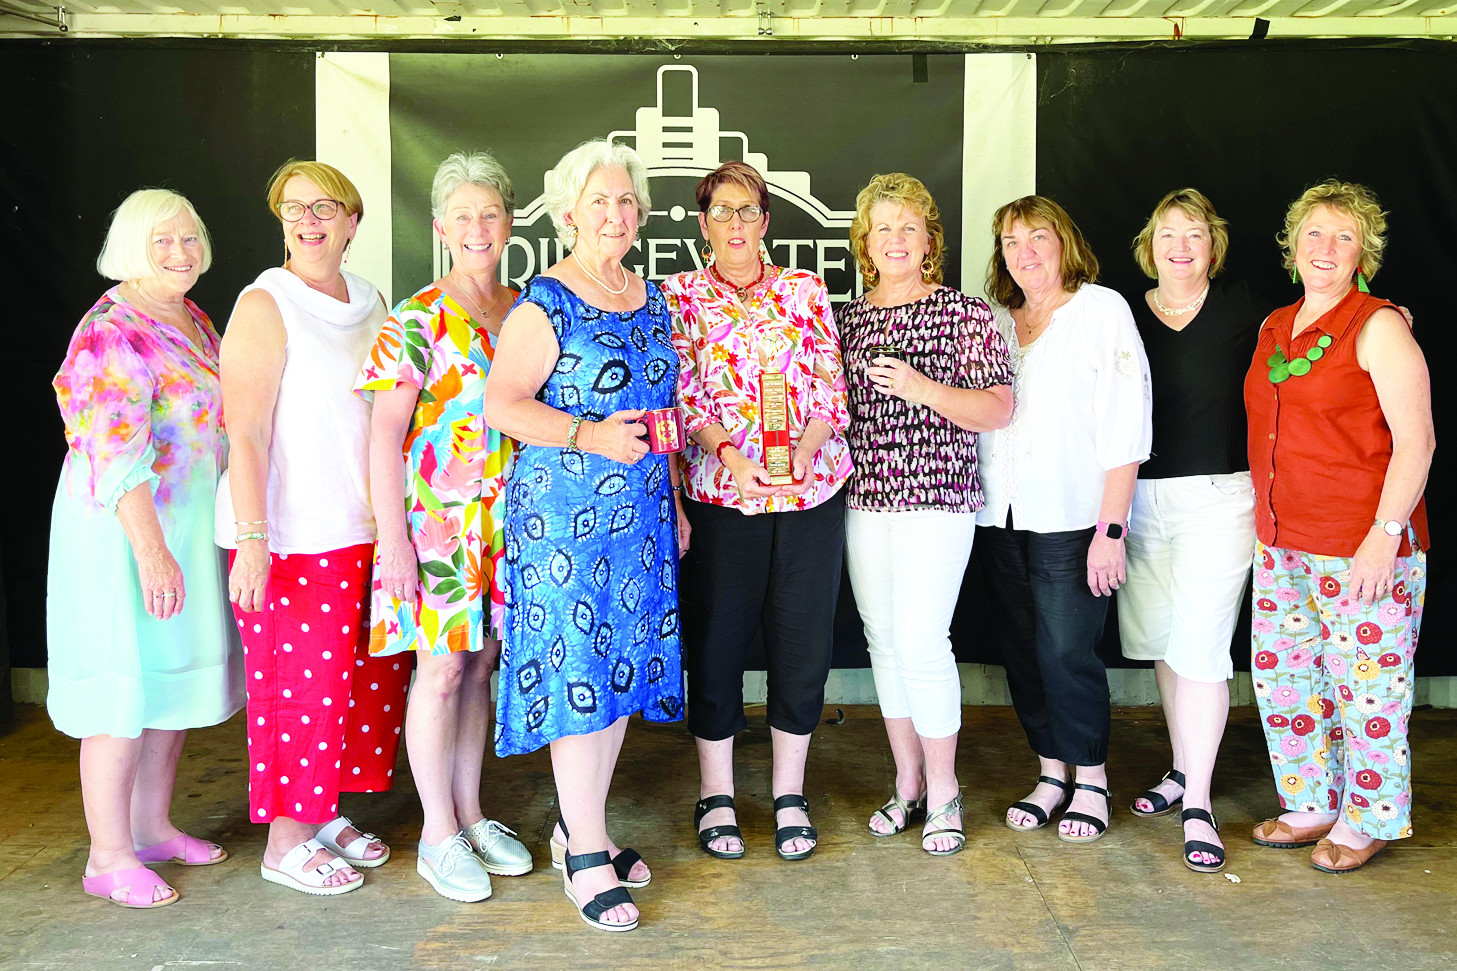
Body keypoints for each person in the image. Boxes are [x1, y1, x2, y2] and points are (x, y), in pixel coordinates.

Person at [483, 138, 687, 932]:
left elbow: (660, 410)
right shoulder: (547, 301)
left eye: (626, 201)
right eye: (599, 201)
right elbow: (503, 404)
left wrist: (673, 501)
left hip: (640, 518)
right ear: (568, 212)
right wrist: (589, 434)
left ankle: (581, 825)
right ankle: (586, 856)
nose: (615, 213)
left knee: (623, 672)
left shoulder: (651, 296)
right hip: (563, 521)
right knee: (582, 674)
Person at [218, 160, 411, 896]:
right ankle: (285, 839)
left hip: (359, 525)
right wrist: (253, 537)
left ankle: (321, 810)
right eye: (293, 207)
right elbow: (248, 432)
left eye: (325, 206)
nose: (308, 219)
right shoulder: (265, 303)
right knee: (298, 689)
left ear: (353, 221)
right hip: (293, 535)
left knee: (354, 686)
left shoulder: (368, 300)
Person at [49, 188, 242, 909]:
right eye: (163, 241)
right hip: (125, 530)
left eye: (190, 239)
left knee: (166, 679)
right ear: (132, 245)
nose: (182, 254)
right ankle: (108, 853)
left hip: (184, 525)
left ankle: (152, 825)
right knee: (120, 684)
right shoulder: (111, 327)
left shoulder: (190, 316)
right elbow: (112, 447)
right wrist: (151, 548)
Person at [662, 161, 852, 864]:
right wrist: (726, 452)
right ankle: (716, 792)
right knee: (716, 643)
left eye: (748, 211)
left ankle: (788, 792)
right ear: (703, 223)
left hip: (808, 493)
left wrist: (804, 445)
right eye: (722, 211)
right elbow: (679, 394)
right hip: (722, 495)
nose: (736, 224)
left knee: (802, 646)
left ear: (765, 223)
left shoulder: (802, 290)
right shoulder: (678, 296)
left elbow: (832, 386)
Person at [356, 152, 532, 903]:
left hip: (511, 526)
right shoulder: (415, 315)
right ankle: (436, 833)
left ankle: (471, 812)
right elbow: (382, 433)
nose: (477, 227)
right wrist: (391, 539)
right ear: (439, 228)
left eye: (488, 213)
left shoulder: (528, 308)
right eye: (461, 216)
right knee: (440, 672)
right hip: (439, 531)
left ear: (511, 221)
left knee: (480, 668)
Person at [1244, 180, 1432, 873]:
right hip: (1280, 539)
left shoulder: (1379, 324)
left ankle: (1371, 817)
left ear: (1363, 254)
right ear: (1291, 245)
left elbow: (1418, 442)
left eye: (1343, 236)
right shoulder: (1273, 325)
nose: (1325, 248)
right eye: (1313, 233)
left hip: (1361, 543)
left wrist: (1385, 534)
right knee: (1286, 676)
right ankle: (1311, 801)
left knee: (1367, 687)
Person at [839, 173, 1012, 857]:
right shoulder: (845, 318)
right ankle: (906, 779)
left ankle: (944, 789)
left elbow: (998, 407)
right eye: (882, 228)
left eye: (908, 226)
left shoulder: (964, 313)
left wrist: (919, 386)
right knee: (882, 639)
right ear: (865, 242)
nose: (895, 239)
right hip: (864, 498)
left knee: (919, 638)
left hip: (937, 498)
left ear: (930, 239)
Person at [975, 195, 1152, 844]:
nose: (1025, 252)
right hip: (1000, 517)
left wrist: (1111, 529)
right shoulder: (997, 321)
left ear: (1063, 242)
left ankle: (1091, 781)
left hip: (1074, 518)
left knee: (1065, 652)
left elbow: (1125, 427)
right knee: (1021, 651)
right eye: (1011, 241)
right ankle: (1050, 772)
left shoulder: (1100, 311)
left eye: (1037, 237)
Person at [1117, 189, 1274, 873]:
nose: (1179, 246)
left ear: (1213, 244)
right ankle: (1181, 768)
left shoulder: (1245, 305)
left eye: (1193, 234)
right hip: (1138, 496)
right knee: (1160, 641)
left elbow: (1317, 328)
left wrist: (1388, 316)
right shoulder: (1121, 312)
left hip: (1221, 497)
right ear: (1148, 245)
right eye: (1166, 234)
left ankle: (1200, 803)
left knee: (1202, 645)